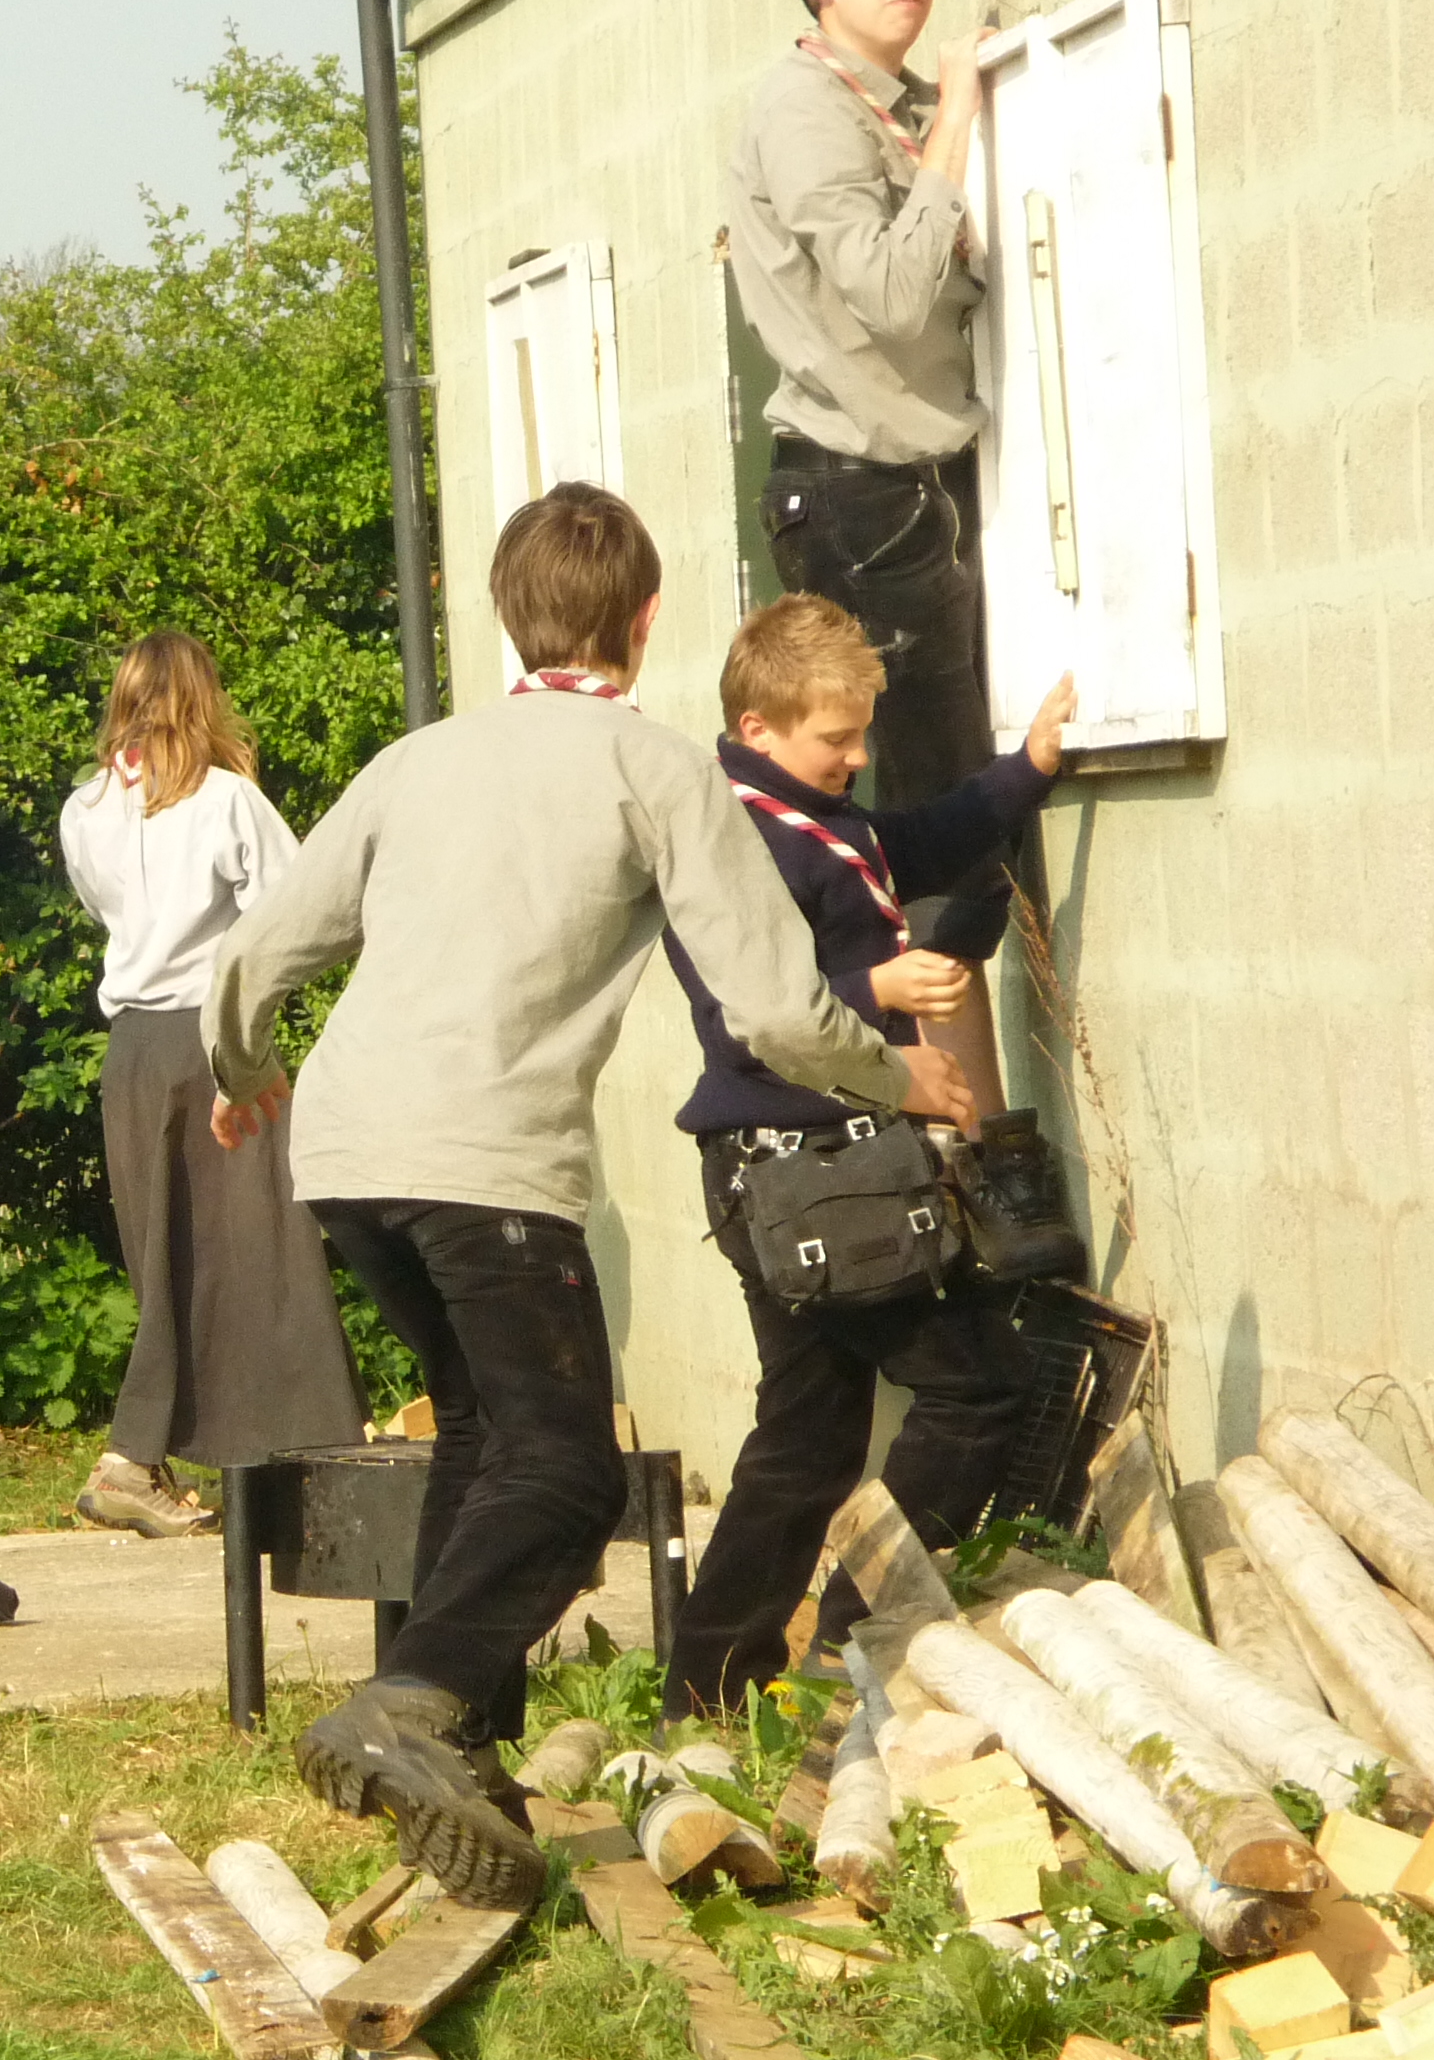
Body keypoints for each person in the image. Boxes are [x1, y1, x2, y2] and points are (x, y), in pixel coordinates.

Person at [203, 483, 975, 1905]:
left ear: (508, 612)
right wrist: (898, 1076)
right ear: (648, 618)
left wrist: (240, 1069)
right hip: (486, 1163)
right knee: (566, 1475)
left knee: (485, 1439)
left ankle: (462, 1756)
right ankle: (413, 1704)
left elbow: (260, 953)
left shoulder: (414, 760)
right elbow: (773, 1010)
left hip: (348, 1154)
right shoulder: (657, 769)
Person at [658, 596, 1081, 1717]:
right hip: (806, 1169)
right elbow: (740, 1017)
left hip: (802, 1167)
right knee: (978, 1389)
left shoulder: (812, 811)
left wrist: (1029, 768)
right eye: (834, 739)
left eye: (861, 736)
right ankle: (856, 1640)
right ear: (757, 727)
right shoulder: (739, 839)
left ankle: (708, 1689)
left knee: (808, 1436)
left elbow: (916, 840)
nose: (855, 758)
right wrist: (876, 990)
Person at [728, 0, 1043, 1133]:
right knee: (934, 840)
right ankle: (972, 1150)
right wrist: (962, 111)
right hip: (859, 500)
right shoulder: (806, 112)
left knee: (946, 827)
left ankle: (959, 1143)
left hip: (921, 490)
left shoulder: (892, 104)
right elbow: (897, 296)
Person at [57, 632, 365, 1538]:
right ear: (203, 697)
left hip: (131, 1053)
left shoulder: (84, 808)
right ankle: (257, 1465)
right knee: (266, 1254)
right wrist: (251, 1039)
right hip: (212, 1039)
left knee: (171, 1259)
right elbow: (296, 911)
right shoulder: (227, 799)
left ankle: (216, 1462)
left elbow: (102, 909)